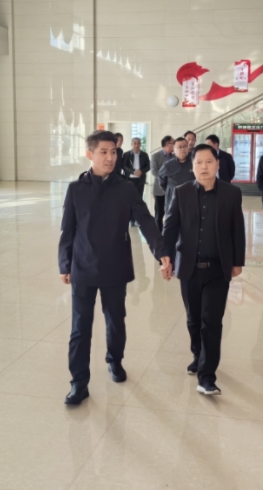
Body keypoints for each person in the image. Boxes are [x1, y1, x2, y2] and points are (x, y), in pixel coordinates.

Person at [58, 130, 170, 405]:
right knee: (80, 327)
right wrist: (65, 263)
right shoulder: (76, 189)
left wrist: (161, 252)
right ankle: (78, 382)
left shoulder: (125, 188)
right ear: (90, 154)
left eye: (113, 152)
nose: (110, 157)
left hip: (115, 266)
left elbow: (145, 220)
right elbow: (67, 231)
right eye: (103, 152)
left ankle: (115, 360)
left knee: (115, 321)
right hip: (83, 266)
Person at [161, 144, 246, 395]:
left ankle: (207, 376)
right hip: (188, 267)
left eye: (209, 162)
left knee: (212, 321)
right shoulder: (182, 192)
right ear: (192, 166)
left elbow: (237, 229)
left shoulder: (231, 193)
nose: (204, 167)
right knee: (193, 319)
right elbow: (170, 228)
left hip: (218, 268)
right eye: (199, 162)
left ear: (217, 164)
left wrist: (237, 262)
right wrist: (165, 259)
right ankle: (198, 355)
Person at [158, 137, 194, 214]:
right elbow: (161, 180)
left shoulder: (194, 163)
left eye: (185, 146)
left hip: (190, 202)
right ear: (174, 149)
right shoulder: (168, 165)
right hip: (173, 201)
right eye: (180, 147)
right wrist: (169, 190)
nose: (183, 149)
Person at [123, 137, 151, 226]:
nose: (136, 145)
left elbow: (148, 166)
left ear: (140, 145)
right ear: (131, 144)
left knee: (139, 199)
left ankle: (137, 218)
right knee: (130, 199)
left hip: (140, 179)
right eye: (134, 143)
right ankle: (131, 219)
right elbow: (124, 166)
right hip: (129, 180)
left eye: (138, 143)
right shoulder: (127, 154)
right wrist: (133, 171)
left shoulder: (144, 155)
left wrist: (141, 171)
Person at [150, 135, 175, 232]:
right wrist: (166, 180)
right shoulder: (155, 156)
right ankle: (158, 234)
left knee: (171, 212)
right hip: (159, 190)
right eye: (173, 143)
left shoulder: (174, 156)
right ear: (167, 144)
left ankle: (168, 232)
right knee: (159, 214)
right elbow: (154, 172)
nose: (174, 145)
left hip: (172, 190)